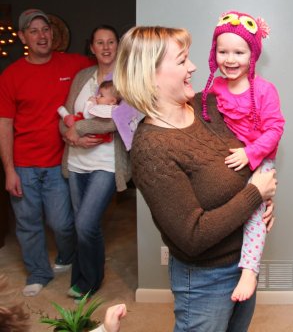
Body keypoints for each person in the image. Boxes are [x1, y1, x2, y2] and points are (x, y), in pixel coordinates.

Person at [113, 26, 277, 332]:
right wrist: (255, 194)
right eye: (182, 60)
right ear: (151, 75)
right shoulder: (152, 148)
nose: (193, 67)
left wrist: (264, 202)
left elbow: (250, 162)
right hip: (205, 280)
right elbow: (191, 236)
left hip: (243, 262)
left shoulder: (210, 106)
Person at [0, 9, 93, 297]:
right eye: (34, 31)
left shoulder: (74, 64)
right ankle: (39, 273)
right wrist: (9, 170)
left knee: (63, 223)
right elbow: (5, 124)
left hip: (58, 163)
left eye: (46, 29)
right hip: (24, 164)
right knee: (28, 224)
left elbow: (106, 65)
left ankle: (65, 255)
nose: (42, 35)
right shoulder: (11, 75)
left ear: (52, 34)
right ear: (24, 37)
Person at [202, 10, 285, 302]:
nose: (230, 59)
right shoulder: (214, 88)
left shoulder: (264, 90)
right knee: (223, 205)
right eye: (223, 51)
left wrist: (251, 154)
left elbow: (275, 129)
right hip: (227, 160)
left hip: (258, 158)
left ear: (252, 55)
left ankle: (249, 269)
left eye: (239, 52)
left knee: (253, 210)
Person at [59, 25, 131, 303]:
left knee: (87, 223)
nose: (106, 47)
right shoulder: (81, 77)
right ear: (91, 47)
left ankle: (90, 281)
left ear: (118, 45)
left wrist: (81, 128)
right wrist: (71, 136)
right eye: (100, 42)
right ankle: (81, 277)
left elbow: (120, 119)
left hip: (107, 163)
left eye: (111, 41)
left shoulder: (125, 80)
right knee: (82, 224)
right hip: (77, 161)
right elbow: (64, 115)